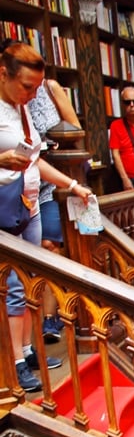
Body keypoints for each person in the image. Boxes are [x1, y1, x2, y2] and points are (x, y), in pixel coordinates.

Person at [0, 40, 91, 393]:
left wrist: (72, 183)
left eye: (37, 87)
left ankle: (28, 349)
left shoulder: (21, 109)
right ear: (4, 74)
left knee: (31, 282)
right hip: (5, 205)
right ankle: (16, 364)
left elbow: (35, 159)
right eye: (27, 86)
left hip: (31, 203)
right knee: (13, 289)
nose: (32, 94)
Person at [28, 73, 81, 342]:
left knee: (50, 245)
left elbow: (74, 127)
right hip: (18, 188)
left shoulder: (49, 89)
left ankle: (49, 318)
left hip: (50, 182)